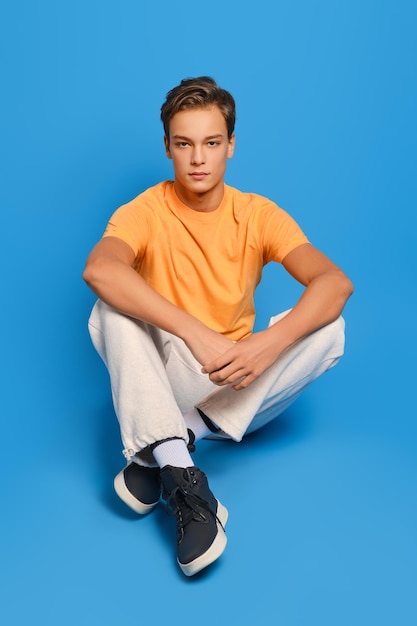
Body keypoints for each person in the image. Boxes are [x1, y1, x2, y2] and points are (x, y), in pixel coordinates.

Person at [83, 76, 353, 577]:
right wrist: (191, 330)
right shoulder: (144, 211)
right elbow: (99, 269)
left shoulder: (258, 214)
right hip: (163, 376)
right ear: (167, 147)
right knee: (108, 310)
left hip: (234, 386)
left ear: (231, 145)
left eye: (211, 143)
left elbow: (334, 283)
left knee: (329, 327)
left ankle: (166, 444)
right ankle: (187, 482)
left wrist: (264, 346)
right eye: (184, 144)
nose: (198, 159)